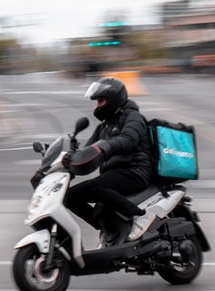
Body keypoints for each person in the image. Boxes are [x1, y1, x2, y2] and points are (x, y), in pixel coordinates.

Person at [64, 77, 156, 243]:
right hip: (115, 174)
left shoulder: (133, 117)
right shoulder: (103, 127)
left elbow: (129, 139)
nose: (98, 106)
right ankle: (107, 229)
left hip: (135, 171)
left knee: (95, 186)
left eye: (101, 101)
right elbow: (89, 151)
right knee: (70, 196)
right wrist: (68, 159)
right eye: (97, 102)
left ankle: (139, 216)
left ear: (114, 99)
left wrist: (106, 146)